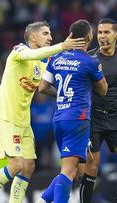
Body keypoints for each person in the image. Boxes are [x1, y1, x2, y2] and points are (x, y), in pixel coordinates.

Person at [0, 21, 86, 203]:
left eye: (50, 34)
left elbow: (54, 79)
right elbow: (36, 54)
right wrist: (63, 46)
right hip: (5, 117)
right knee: (16, 165)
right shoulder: (18, 52)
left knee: (29, 166)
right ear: (33, 37)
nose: (50, 38)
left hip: (23, 121)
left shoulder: (43, 63)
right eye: (45, 34)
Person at [36, 19, 108, 203]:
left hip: (59, 118)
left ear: (71, 36)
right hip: (78, 119)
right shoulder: (90, 61)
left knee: (77, 171)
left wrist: (61, 93)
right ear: (89, 38)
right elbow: (103, 89)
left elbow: (43, 87)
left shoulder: (57, 58)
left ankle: (43, 201)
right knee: (68, 171)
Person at [79, 18, 117, 203]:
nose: (102, 36)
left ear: (116, 35)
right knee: (91, 167)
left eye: (106, 32)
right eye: (99, 32)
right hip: (93, 118)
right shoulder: (88, 58)